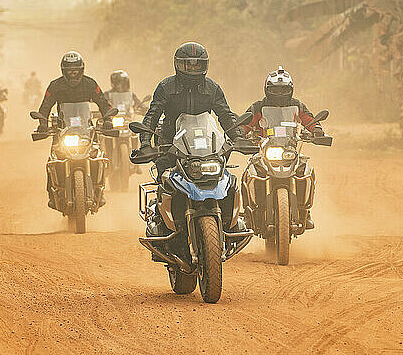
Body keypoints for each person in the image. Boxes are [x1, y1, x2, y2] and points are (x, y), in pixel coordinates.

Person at [134, 41, 244, 238]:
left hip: (207, 146)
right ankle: (160, 220)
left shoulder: (212, 88)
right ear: (178, 65)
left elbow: (225, 115)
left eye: (197, 65)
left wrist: (238, 137)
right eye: (188, 64)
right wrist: (145, 143)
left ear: (205, 66)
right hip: (171, 145)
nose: (193, 69)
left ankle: (232, 221)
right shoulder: (166, 87)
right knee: (162, 172)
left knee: (226, 178)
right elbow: (152, 115)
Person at [242, 65, 324, 229]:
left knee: (306, 170)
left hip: (290, 149)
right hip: (264, 150)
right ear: (267, 89)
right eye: (276, 90)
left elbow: (309, 119)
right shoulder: (258, 107)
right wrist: (239, 134)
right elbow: (245, 123)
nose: (279, 94)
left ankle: (305, 212)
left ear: (290, 89)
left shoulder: (297, 106)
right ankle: (248, 214)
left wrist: (317, 130)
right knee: (248, 174)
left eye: (283, 90)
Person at [37, 51, 112, 208]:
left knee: (98, 156)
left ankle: (100, 191)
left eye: (75, 70)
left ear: (81, 69)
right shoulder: (55, 86)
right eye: (69, 70)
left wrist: (108, 120)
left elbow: (103, 102)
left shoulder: (90, 84)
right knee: (53, 160)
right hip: (62, 130)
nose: (72, 73)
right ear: (63, 70)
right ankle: (52, 194)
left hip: (87, 130)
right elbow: (45, 105)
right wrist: (42, 123)